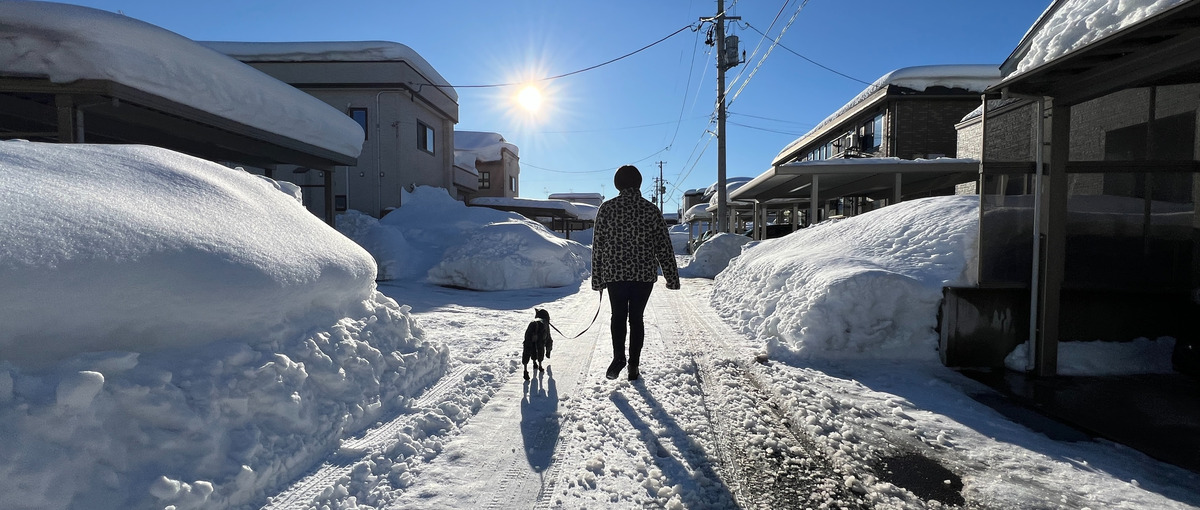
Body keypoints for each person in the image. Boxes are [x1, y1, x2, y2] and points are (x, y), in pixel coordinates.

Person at [591, 164, 680, 381]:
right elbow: (663, 246)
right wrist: (671, 277)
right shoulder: (651, 210)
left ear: (617, 184)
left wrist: (597, 278)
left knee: (618, 316)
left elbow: (598, 246)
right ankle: (633, 366)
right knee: (637, 318)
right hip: (643, 276)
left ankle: (619, 357)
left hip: (615, 274)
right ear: (639, 183)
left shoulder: (607, 208)